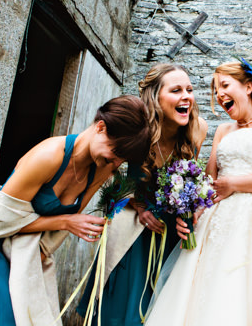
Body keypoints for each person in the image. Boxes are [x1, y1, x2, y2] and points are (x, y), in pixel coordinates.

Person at [0, 95, 151, 326]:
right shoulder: (48, 156)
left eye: (123, 159)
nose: (117, 163)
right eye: (116, 152)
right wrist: (66, 222)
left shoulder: (102, 168)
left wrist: (41, 257)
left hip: (25, 252)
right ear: (100, 127)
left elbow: (65, 223)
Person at [144, 60, 252, 326]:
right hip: (218, 224)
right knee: (209, 290)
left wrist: (235, 184)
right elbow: (208, 184)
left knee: (251, 292)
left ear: (248, 86)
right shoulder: (223, 131)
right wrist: (190, 214)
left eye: (225, 85)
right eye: (216, 89)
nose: (219, 94)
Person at [77, 63, 207, 326]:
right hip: (133, 231)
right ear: (156, 98)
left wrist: (189, 211)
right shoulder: (137, 130)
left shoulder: (198, 129)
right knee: (124, 307)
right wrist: (138, 205)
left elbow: (191, 178)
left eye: (190, 90)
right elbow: (107, 177)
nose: (186, 97)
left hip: (170, 233)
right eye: (176, 90)